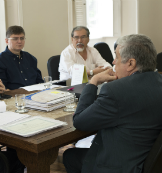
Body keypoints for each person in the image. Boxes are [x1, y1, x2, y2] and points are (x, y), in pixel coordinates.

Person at [63, 34, 162, 173]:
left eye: (117, 57)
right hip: (146, 160)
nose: (113, 62)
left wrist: (93, 82)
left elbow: (79, 121)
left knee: (69, 155)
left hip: (119, 166)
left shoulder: (115, 91)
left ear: (131, 64)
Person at [0, 25, 44, 90]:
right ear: (7, 41)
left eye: (22, 38)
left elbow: (40, 82)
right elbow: (0, 88)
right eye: (15, 39)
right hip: (13, 97)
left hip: (35, 95)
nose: (19, 41)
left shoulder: (30, 58)